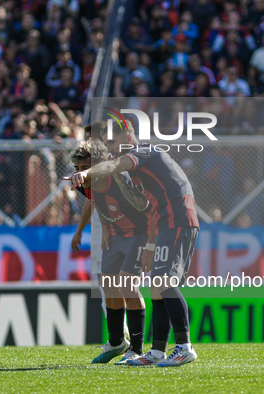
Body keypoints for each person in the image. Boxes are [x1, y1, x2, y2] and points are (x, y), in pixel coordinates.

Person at [67, 120, 200, 367]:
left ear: (128, 136)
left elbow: (116, 165)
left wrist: (148, 246)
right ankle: (157, 352)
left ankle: (184, 346)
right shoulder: (133, 171)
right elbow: (100, 199)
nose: (110, 148)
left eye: (113, 142)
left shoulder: (143, 153)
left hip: (176, 217)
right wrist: (106, 225)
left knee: (162, 282)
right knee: (157, 287)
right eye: (107, 144)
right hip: (165, 221)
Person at [69, 132, 151, 365]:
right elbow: (95, 201)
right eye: (76, 166)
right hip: (116, 234)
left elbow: (147, 208)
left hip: (139, 233)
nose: (79, 171)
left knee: (127, 284)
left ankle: (136, 349)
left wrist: (152, 242)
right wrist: (101, 226)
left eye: (84, 166)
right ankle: (117, 342)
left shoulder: (119, 176)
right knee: (109, 285)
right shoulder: (84, 183)